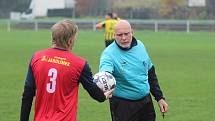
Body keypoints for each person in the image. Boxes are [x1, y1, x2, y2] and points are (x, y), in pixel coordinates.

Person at [20, 20, 113, 121]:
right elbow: (95, 94)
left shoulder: (36, 58)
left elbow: (27, 94)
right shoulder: (80, 64)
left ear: (53, 38)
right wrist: (103, 96)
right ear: (70, 41)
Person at [99, 20, 168, 121]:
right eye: (119, 35)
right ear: (114, 35)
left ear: (132, 32)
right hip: (123, 106)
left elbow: (150, 73)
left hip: (146, 103)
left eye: (126, 34)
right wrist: (105, 79)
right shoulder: (108, 54)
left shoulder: (140, 46)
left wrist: (160, 98)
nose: (123, 38)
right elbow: (105, 74)